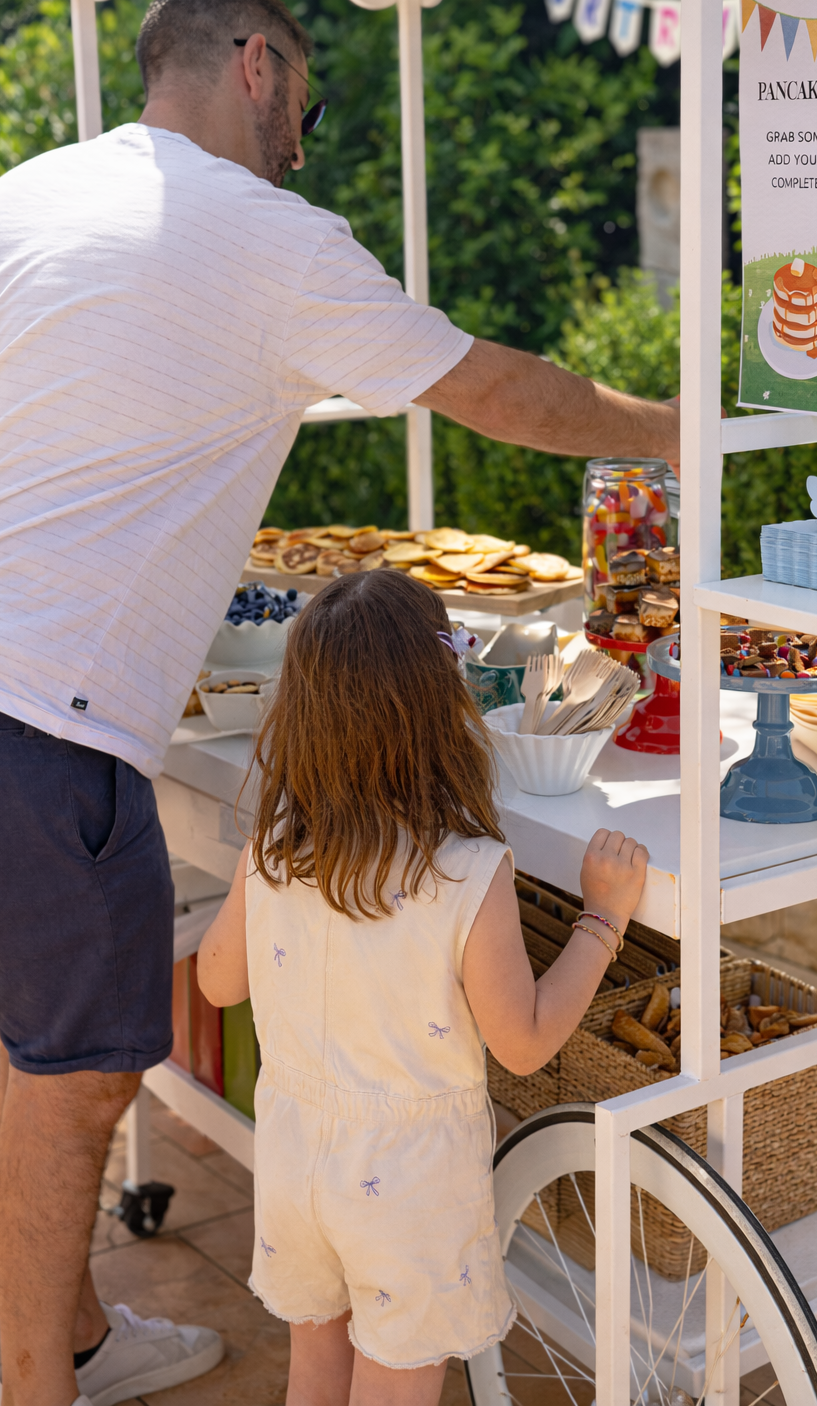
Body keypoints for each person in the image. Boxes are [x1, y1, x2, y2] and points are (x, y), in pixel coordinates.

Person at [0, 0, 676, 1406]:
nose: (306, 139)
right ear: (260, 63)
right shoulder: (265, 234)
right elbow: (496, 391)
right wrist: (678, 427)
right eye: (312, 104)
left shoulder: (15, 200)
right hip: (41, 715)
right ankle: (43, 1383)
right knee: (74, 1078)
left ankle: (79, 1334)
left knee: (61, 1052)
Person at [196, 571, 649, 1406]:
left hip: (296, 1166)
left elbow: (218, 982)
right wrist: (603, 920)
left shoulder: (274, 848)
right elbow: (523, 1042)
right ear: (440, 705)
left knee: (316, 1375)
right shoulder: (467, 872)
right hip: (411, 1191)